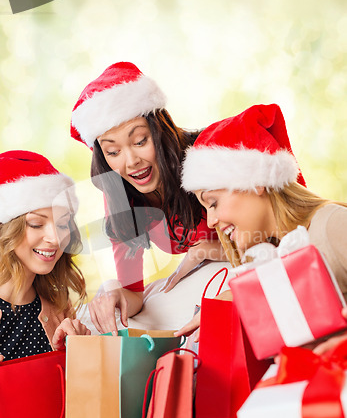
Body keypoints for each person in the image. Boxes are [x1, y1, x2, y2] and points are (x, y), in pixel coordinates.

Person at [175, 103, 347, 351]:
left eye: (213, 203)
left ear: (256, 182)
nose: (211, 221)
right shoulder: (271, 262)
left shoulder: (331, 224)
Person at [70, 61, 226, 334]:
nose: (131, 162)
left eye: (140, 141)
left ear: (160, 131)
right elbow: (134, 294)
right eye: (113, 152)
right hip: (204, 283)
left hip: (246, 267)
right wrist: (112, 291)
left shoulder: (207, 157)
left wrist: (208, 250)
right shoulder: (120, 195)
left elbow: (274, 239)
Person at [0, 150, 90, 361]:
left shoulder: (59, 307)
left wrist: (80, 351)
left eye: (62, 224)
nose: (56, 239)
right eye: (36, 224)